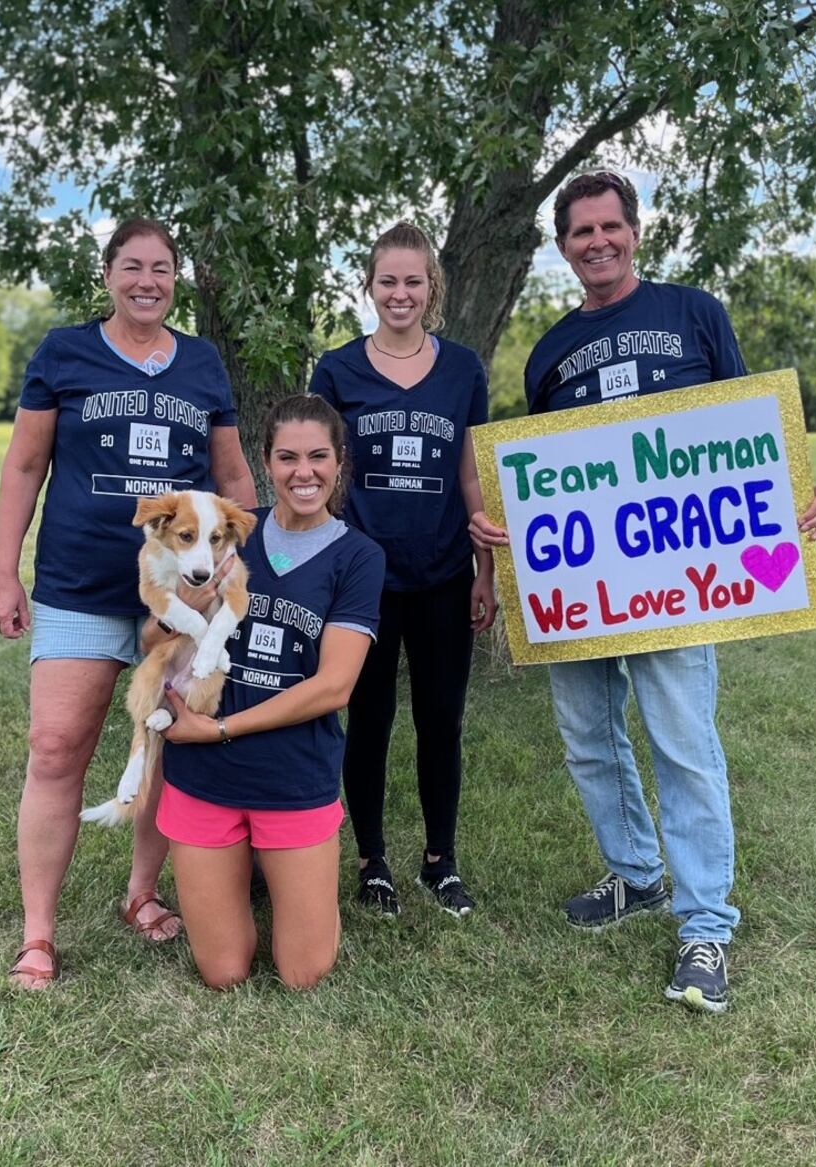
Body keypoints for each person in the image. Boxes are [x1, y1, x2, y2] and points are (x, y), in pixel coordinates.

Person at [469, 172, 816, 1013]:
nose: (596, 241)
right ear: (562, 247)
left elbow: (748, 435)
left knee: (682, 744)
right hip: (580, 591)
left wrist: (801, 496)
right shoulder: (550, 352)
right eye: (580, 231)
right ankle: (636, 874)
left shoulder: (694, 314)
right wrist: (505, 528)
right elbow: (545, 480)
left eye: (609, 226)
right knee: (590, 739)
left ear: (634, 231)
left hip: (677, 588)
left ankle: (706, 922)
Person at [0, 216, 257, 988]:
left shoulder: (202, 364)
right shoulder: (65, 353)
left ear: (177, 279)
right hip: (79, 585)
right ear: (106, 273)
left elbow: (234, 482)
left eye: (162, 268)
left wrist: (247, 572)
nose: (148, 280)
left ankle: (141, 894)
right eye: (133, 266)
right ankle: (37, 934)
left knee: (166, 744)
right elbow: (24, 465)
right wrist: (4, 574)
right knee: (55, 747)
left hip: (181, 599)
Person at [156, 394, 385, 989]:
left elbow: (334, 687)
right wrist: (191, 601)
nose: (302, 472)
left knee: (304, 973)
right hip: (204, 776)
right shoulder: (223, 532)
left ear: (340, 462)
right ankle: (251, 875)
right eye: (287, 457)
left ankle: (297, 884)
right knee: (223, 971)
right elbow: (149, 634)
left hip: (293, 776)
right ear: (265, 461)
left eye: (317, 456)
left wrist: (221, 728)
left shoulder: (359, 556)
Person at [308, 223, 495, 919]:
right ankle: (372, 856)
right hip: (364, 576)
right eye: (388, 280)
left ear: (432, 288)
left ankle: (440, 860)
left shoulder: (463, 370)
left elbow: (471, 471)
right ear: (369, 285)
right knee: (369, 716)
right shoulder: (336, 370)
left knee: (441, 719)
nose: (400, 293)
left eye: (413, 281)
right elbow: (321, 470)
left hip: (445, 571)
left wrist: (486, 570)